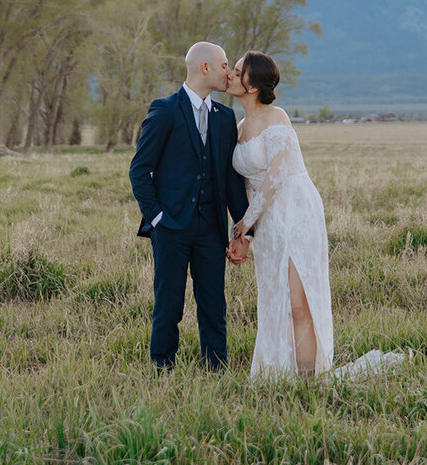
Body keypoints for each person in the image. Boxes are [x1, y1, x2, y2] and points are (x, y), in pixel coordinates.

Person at [129, 42, 251, 371]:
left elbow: (229, 179)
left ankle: (217, 370)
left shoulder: (225, 117)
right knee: (169, 303)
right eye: (225, 65)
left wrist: (243, 229)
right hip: (170, 227)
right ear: (205, 68)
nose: (230, 72)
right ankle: (162, 368)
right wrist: (156, 218)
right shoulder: (165, 109)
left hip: (211, 228)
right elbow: (139, 170)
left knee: (214, 304)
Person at [227, 51, 334, 377]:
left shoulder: (277, 118)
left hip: (294, 209)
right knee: (275, 299)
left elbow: (275, 175)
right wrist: (244, 233)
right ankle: (281, 372)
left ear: (252, 83)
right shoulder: (241, 126)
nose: (230, 74)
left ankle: (308, 383)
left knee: (298, 303)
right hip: (268, 219)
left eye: (237, 70)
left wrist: (246, 222)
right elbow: (248, 184)